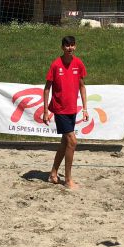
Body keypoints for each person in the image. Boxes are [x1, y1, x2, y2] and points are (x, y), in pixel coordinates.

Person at [43, 35, 89, 189]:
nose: (70, 48)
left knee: (65, 143)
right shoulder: (56, 64)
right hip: (60, 108)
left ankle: (53, 173)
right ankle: (68, 180)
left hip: (72, 108)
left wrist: (85, 108)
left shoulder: (78, 63)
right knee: (72, 141)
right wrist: (45, 111)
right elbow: (47, 89)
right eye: (67, 45)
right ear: (62, 47)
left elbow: (82, 86)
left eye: (72, 45)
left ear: (75, 46)